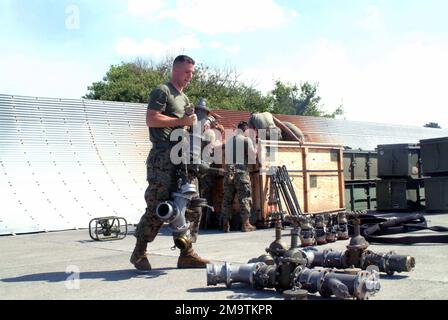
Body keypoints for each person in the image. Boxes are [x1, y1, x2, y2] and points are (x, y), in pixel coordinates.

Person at [130, 55, 210, 271]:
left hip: (182, 157)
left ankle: (187, 253)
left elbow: (183, 126)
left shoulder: (185, 99)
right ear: (175, 70)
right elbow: (151, 118)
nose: (190, 76)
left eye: (192, 73)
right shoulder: (162, 91)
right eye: (186, 72)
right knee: (159, 205)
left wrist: (194, 128)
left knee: (192, 204)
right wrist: (181, 121)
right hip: (163, 157)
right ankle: (139, 252)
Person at [221, 121, 257, 233]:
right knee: (245, 199)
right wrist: (256, 150)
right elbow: (252, 157)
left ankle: (225, 225)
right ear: (246, 130)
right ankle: (246, 225)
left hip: (228, 173)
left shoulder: (229, 141)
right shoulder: (246, 140)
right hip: (241, 173)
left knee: (227, 199)